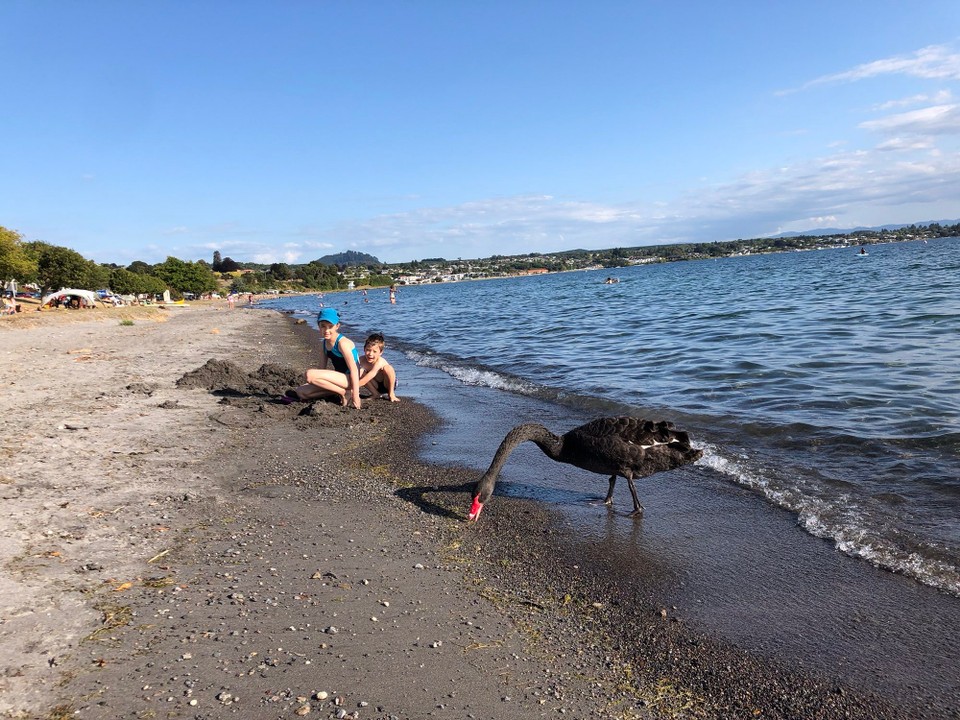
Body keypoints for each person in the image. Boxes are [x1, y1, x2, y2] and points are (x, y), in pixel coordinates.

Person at [284, 307, 362, 409]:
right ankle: (340, 391)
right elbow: (321, 369)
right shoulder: (324, 343)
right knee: (301, 392)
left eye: (330, 326)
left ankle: (344, 393)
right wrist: (313, 385)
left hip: (350, 379)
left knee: (309, 374)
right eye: (323, 326)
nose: (326, 330)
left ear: (337, 326)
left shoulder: (342, 343)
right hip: (339, 380)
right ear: (318, 326)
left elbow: (355, 370)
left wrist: (356, 396)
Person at [358, 333, 399, 402]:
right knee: (359, 370)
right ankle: (375, 394)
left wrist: (352, 388)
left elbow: (367, 378)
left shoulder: (379, 362)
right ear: (364, 349)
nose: (370, 354)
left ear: (380, 352)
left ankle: (391, 393)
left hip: (387, 384)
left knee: (388, 368)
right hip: (375, 384)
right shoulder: (361, 360)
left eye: (374, 351)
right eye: (368, 350)